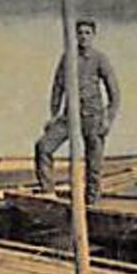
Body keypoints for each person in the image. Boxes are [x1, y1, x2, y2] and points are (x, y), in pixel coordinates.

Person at [34, 18, 121, 203]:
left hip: (93, 117)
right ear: (75, 35)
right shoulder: (67, 58)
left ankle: (92, 202)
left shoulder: (99, 59)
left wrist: (108, 119)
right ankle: (48, 191)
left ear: (93, 36)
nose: (83, 37)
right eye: (80, 33)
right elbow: (57, 88)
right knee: (43, 147)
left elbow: (115, 94)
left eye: (87, 33)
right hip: (69, 117)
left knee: (94, 164)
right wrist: (53, 116)